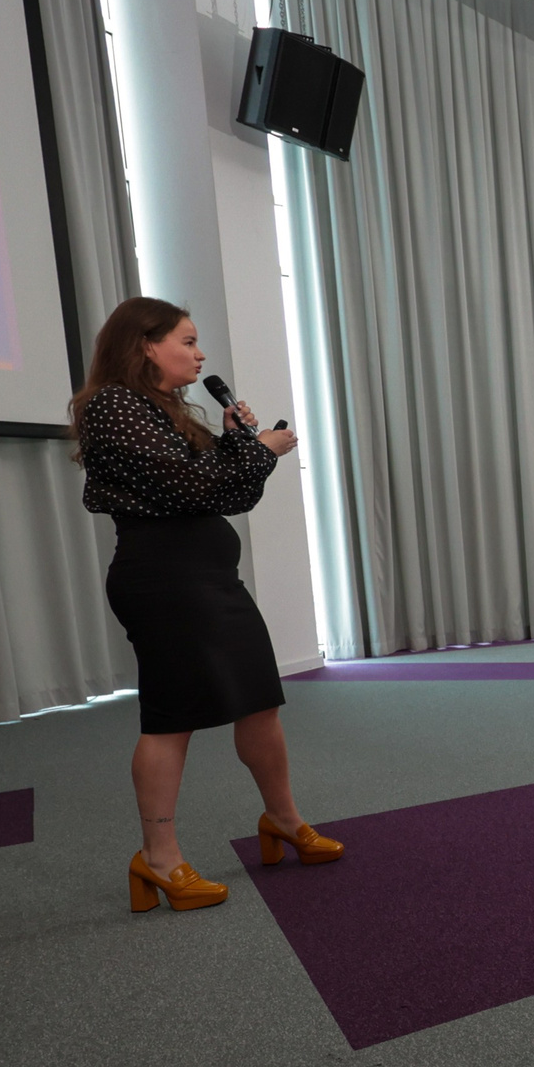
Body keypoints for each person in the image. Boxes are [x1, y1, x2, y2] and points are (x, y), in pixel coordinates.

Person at [73, 297, 344, 911]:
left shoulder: (164, 410)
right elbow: (192, 488)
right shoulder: (114, 406)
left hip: (209, 578)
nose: (199, 354)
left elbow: (227, 494)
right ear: (146, 344)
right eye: (188, 341)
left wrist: (237, 445)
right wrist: (260, 450)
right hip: (163, 581)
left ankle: (283, 820)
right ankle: (160, 859)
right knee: (173, 717)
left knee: (259, 704)